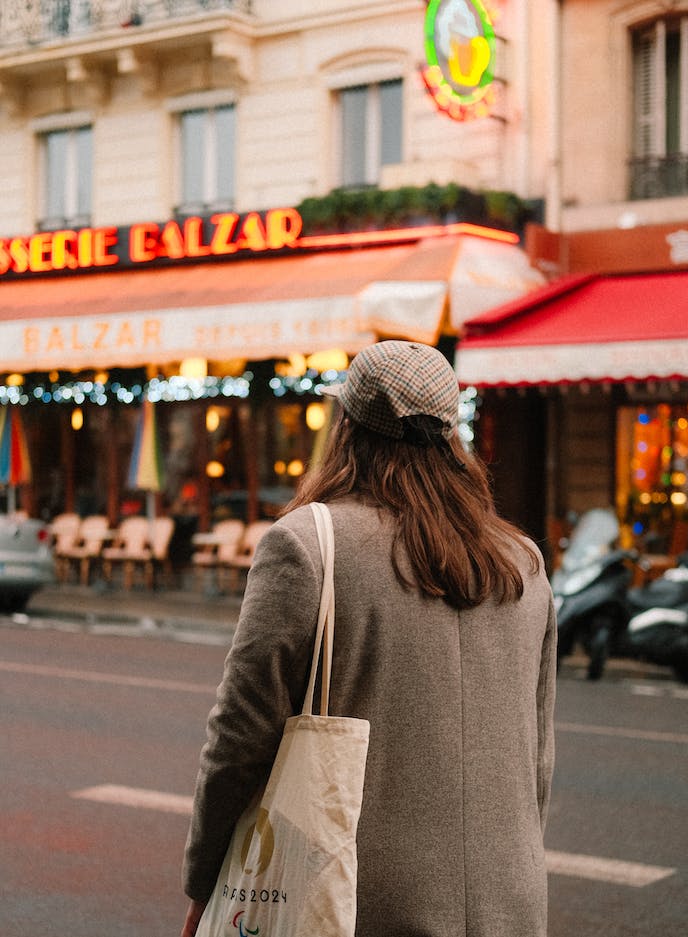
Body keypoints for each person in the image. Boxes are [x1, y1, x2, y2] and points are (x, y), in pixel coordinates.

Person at [181, 340, 556, 937]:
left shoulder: (309, 544)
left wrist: (206, 881)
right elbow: (537, 755)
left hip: (357, 897)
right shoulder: (522, 562)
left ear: (347, 427)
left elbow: (239, 737)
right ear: (451, 437)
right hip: (510, 896)